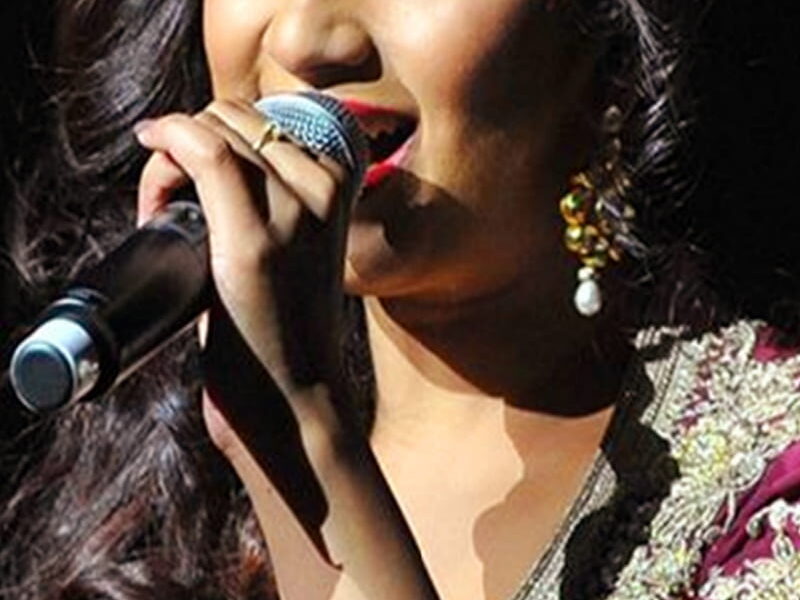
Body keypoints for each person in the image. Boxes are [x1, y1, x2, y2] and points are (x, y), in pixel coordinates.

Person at [2, 0, 800, 598]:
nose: (307, 38)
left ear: (611, 37)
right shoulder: (154, 491)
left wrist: (303, 432)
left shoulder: (768, 490)